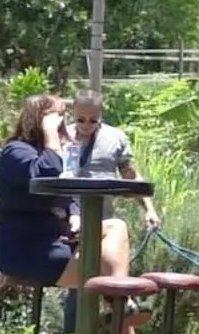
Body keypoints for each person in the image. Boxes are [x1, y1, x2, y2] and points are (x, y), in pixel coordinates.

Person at [0, 93, 159, 334]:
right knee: (99, 267)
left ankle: (118, 306)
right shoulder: (16, 152)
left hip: (53, 243)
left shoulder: (54, 149)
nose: (64, 121)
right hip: (25, 250)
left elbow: (67, 192)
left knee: (115, 227)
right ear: (41, 120)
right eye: (59, 115)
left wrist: (75, 214)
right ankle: (121, 325)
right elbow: (48, 173)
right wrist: (51, 136)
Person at [68, 90, 160, 233]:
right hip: (65, 218)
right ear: (72, 112)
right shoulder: (61, 136)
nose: (86, 125)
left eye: (93, 120)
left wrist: (149, 209)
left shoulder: (115, 137)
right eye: (80, 119)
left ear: (100, 115)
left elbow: (130, 175)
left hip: (102, 219)